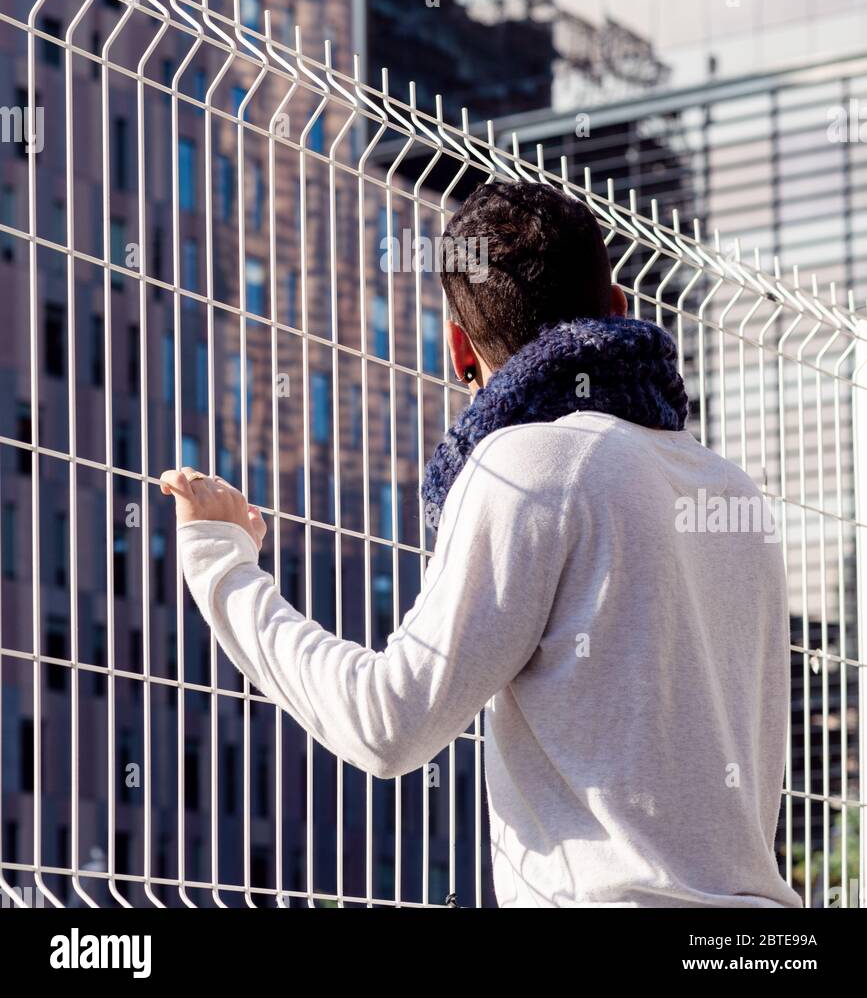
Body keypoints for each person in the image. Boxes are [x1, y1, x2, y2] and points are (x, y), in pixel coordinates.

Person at [162, 181, 801, 908]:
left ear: (460, 348)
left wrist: (222, 563)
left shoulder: (528, 466)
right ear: (619, 306)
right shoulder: (731, 491)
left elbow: (385, 722)